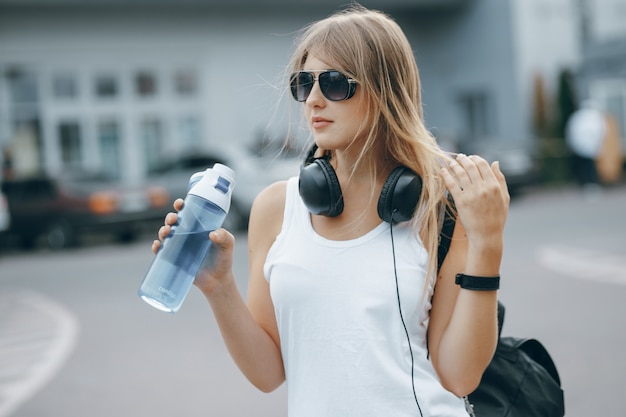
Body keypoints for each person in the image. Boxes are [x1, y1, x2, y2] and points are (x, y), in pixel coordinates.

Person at [153, 6, 509, 417]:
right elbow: (268, 374)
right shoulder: (275, 208)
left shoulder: (437, 206)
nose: (315, 99)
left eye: (335, 83)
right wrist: (219, 287)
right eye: (304, 83)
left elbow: (460, 376)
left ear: (384, 91)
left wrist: (489, 245)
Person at [565, 100, 606, 198]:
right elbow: (601, 132)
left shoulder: (578, 116)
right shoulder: (595, 117)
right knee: (589, 167)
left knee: (585, 167)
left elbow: (570, 131)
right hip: (588, 147)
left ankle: (587, 185)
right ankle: (590, 186)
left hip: (581, 147)